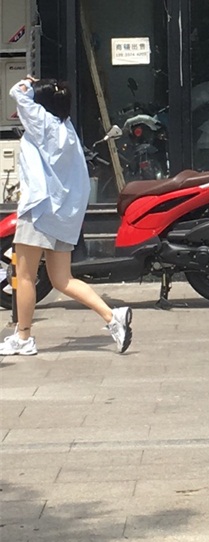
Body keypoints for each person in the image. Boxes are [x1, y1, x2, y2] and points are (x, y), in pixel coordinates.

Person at [0, 76, 132, 357]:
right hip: (62, 215)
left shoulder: (43, 124)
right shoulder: (66, 128)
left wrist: (28, 84)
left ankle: (23, 337)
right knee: (62, 280)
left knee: (24, 276)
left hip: (39, 211)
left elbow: (16, 93)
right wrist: (44, 89)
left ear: (41, 105)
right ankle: (112, 317)